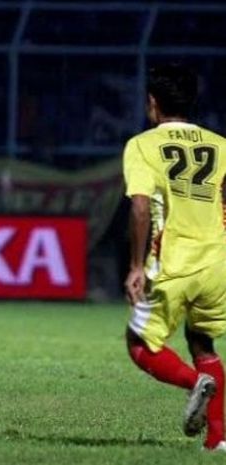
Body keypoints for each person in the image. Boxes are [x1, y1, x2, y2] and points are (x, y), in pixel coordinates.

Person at [123, 63, 226, 451]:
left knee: (139, 342)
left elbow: (140, 207)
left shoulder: (143, 145)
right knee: (203, 344)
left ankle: (193, 384)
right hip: (217, 261)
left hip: (172, 260)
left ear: (153, 103)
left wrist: (135, 266)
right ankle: (218, 441)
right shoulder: (220, 145)